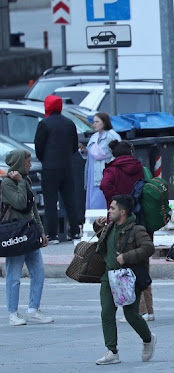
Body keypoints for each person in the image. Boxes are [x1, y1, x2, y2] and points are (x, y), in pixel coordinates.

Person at [93, 195, 156, 365]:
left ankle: (148, 338)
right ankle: (112, 351)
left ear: (123, 212)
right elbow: (102, 240)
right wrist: (97, 225)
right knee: (106, 312)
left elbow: (149, 248)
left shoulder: (136, 230)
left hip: (127, 278)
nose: (109, 211)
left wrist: (127, 257)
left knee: (131, 315)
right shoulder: (110, 226)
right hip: (109, 276)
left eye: (112, 208)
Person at [3, 149, 52, 326]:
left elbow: (32, 209)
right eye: (27, 162)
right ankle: (13, 313)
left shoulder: (25, 180)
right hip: (15, 233)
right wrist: (21, 183)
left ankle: (33, 308)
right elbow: (19, 202)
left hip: (29, 232)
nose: (30, 165)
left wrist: (41, 231)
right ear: (18, 163)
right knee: (14, 275)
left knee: (38, 271)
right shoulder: (7, 183)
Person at [34, 95, 81, 244]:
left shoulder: (44, 124)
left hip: (50, 168)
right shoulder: (69, 123)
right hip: (67, 166)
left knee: (50, 201)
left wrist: (45, 159)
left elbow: (39, 146)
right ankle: (74, 231)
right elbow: (75, 146)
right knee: (70, 200)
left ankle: (53, 235)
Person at [79, 112, 121, 209]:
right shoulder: (94, 137)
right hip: (92, 176)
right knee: (93, 203)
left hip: (103, 175)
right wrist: (85, 151)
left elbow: (118, 154)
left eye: (97, 122)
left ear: (104, 122)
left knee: (101, 202)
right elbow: (90, 155)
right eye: (93, 122)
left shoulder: (112, 136)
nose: (94, 124)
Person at [100, 140, 145, 209]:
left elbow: (105, 185)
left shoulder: (111, 170)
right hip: (137, 209)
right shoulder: (139, 167)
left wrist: (116, 199)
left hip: (118, 211)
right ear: (131, 152)